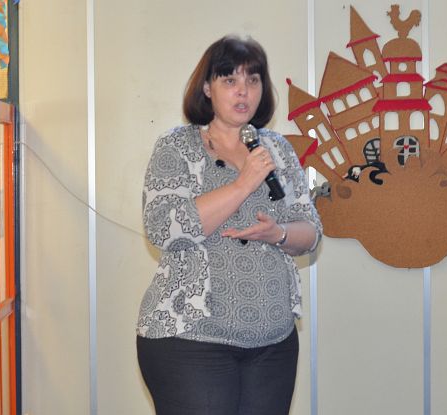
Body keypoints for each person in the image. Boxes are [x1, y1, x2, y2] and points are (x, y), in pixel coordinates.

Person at [136, 35, 322, 415]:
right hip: (191, 339)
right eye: (229, 80)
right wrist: (242, 185)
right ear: (207, 88)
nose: (243, 91)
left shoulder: (277, 149)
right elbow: (162, 228)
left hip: (272, 341)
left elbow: (311, 231)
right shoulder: (177, 146)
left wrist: (279, 233)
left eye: (253, 80)